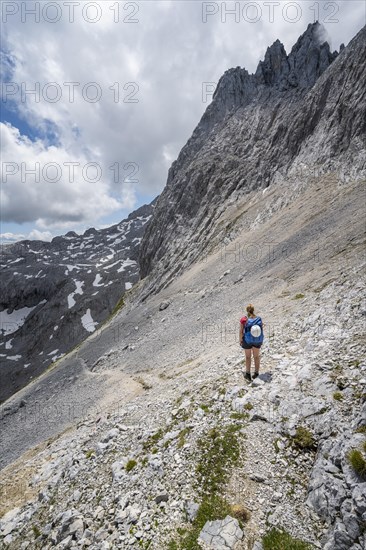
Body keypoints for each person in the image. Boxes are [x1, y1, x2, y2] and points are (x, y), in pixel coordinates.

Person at [239, 304, 264, 382]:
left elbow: (241, 331)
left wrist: (240, 340)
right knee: (256, 356)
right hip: (257, 340)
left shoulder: (244, 319)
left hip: (247, 340)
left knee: (248, 357)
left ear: (247, 310)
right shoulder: (258, 318)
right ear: (253, 310)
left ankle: (248, 374)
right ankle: (256, 373)